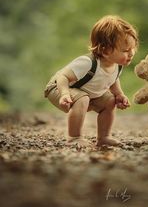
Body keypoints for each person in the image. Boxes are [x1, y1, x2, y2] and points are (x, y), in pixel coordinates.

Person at [44, 15, 139, 149]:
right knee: (83, 98)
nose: (132, 53)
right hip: (57, 88)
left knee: (110, 100)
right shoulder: (87, 63)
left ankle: (103, 137)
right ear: (105, 50)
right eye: (125, 50)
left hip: (85, 93)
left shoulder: (117, 65)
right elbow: (62, 77)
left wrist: (119, 94)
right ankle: (74, 137)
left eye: (133, 48)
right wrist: (64, 94)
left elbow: (112, 79)